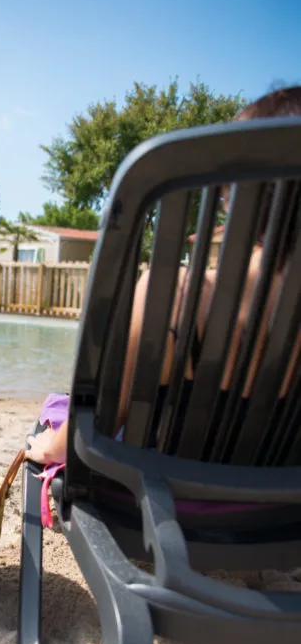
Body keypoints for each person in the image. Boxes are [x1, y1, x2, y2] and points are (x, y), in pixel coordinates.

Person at [27, 85, 301, 466]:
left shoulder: (174, 295)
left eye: (229, 181)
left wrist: (48, 448)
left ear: (245, 191)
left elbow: (98, 424)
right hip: (282, 515)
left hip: (163, 511)